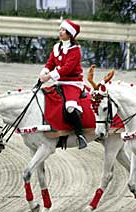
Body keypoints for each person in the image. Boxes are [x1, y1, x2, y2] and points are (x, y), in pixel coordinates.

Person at [39, 19, 87, 149]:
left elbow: (67, 68)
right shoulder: (56, 47)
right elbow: (50, 63)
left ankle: (80, 134)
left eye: (64, 30)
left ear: (70, 34)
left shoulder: (75, 50)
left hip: (72, 83)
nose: (60, 32)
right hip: (59, 82)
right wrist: (44, 72)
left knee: (70, 107)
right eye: (60, 29)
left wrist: (49, 76)